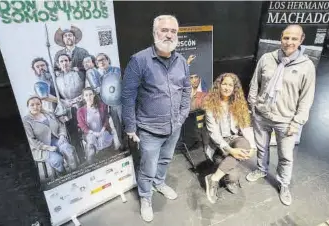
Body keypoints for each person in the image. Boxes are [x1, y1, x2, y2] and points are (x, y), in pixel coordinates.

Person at [121, 15, 191, 222]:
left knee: (166, 159)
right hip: (149, 129)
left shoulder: (181, 62)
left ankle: (159, 183)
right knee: (147, 167)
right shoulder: (139, 60)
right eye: (164, 30)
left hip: (174, 126)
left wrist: (181, 116)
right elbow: (127, 96)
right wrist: (130, 127)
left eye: (173, 31)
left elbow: (186, 91)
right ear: (155, 33)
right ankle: (145, 197)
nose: (169, 35)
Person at [246, 25, 316, 206]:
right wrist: (252, 106)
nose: (289, 42)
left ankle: (283, 184)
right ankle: (261, 169)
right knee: (261, 148)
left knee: (286, 156)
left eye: (294, 39)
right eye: (286, 38)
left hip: (286, 121)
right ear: (281, 38)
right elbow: (255, 83)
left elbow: (306, 98)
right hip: (261, 115)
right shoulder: (267, 58)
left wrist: (297, 122)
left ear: (301, 40)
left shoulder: (306, 66)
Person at [202, 73, 256, 204]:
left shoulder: (238, 103)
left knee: (245, 144)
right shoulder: (210, 104)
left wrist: (253, 146)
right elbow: (214, 133)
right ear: (219, 85)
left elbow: (245, 127)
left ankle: (214, 178)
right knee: (233, 175)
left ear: (234, 88)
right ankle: (218, 178)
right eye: (224, 84)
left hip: (233, 138)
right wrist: (230, 150)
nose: (227, 87)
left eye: (230, 85)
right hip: (217, 144)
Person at [23, 96, 77, 176]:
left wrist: (62, 136)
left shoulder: (49, 114)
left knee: (67, 149)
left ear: (41, 104)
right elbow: (31, 140)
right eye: (32, 105)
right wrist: (48, 148)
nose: (35, 107)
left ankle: (75, 171)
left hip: (56, 140)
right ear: (28, 106)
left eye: (38, 104)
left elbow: (61, 125)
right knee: (57, 160)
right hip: (41, 148)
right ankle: (62, 174)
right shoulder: (26, 120)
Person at [77, 88, 113, 164]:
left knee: (102, 139)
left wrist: (103, 129)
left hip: (102, 130)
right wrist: (93, 133)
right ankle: (90, 163)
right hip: (90, 133)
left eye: (90, 94)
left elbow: (106, 118)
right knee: (91, 141)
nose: (89, 97)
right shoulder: (80, 111)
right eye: (86, 95)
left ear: (94, 95)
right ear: (83, 97)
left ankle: (104, 160)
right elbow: (82, 126)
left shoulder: (102, 106)